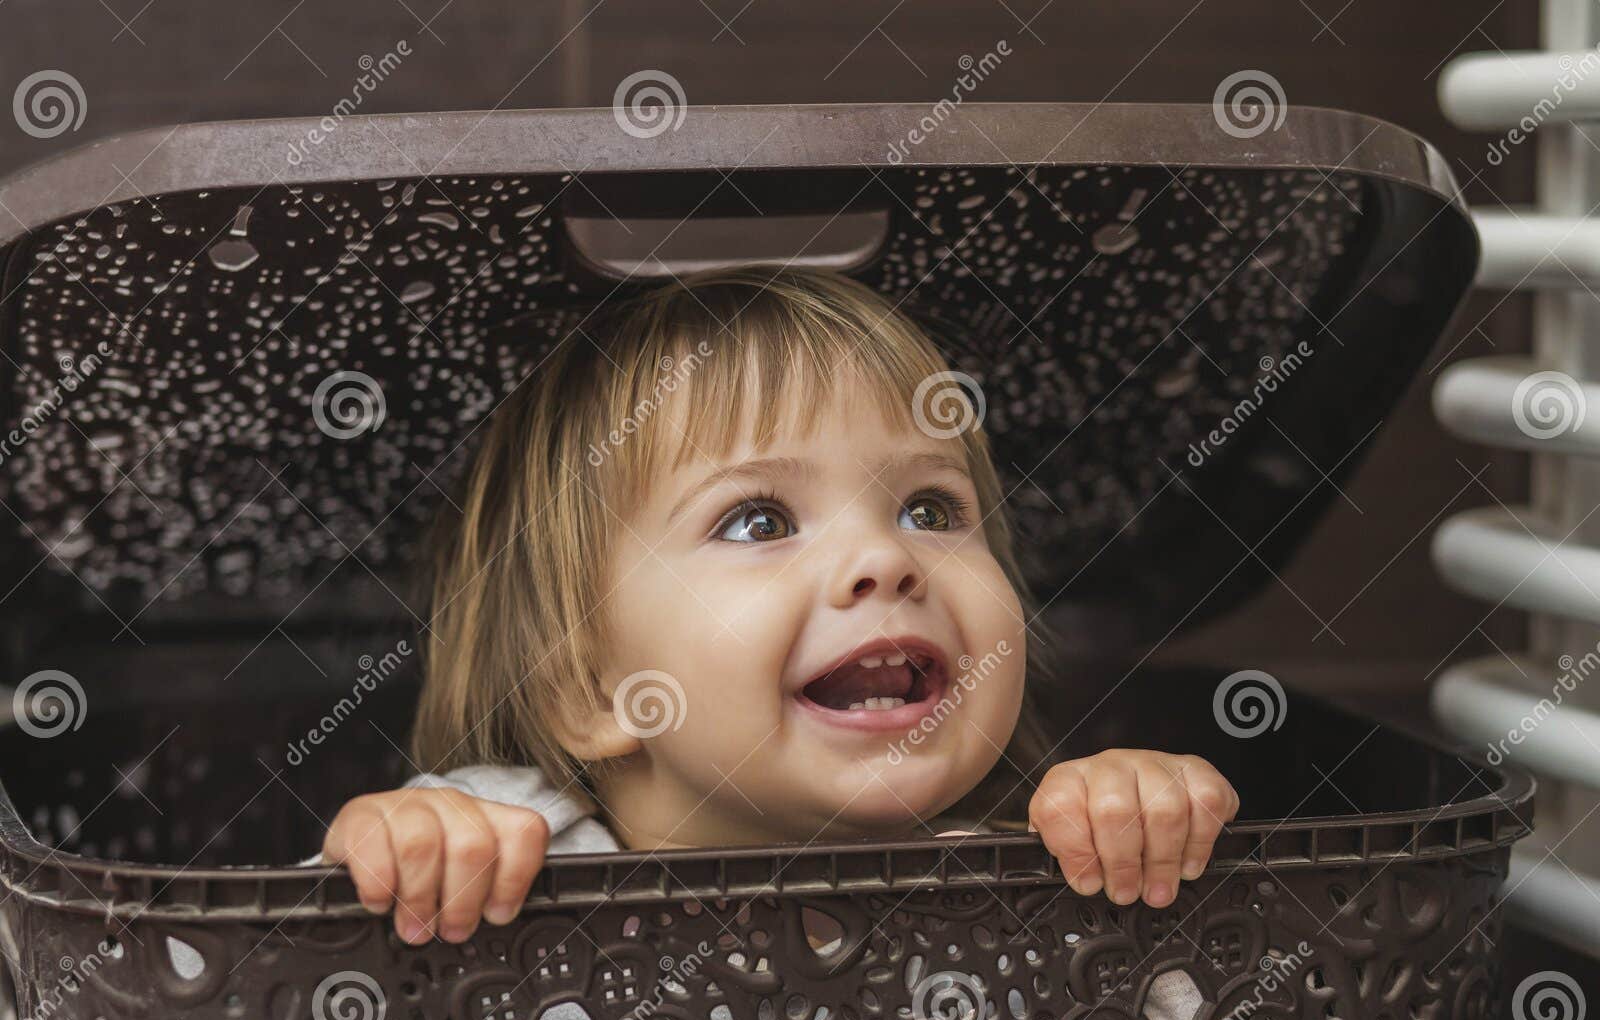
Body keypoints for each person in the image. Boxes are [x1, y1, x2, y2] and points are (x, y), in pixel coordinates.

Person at [315, 267, 1239, 947]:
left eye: (932, 509)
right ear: (589, 686)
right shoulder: (517, 852)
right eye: (758, 519)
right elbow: (307, 1000)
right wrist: (402, 850)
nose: (886, 556)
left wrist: (1140, 829)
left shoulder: (1044, 871)